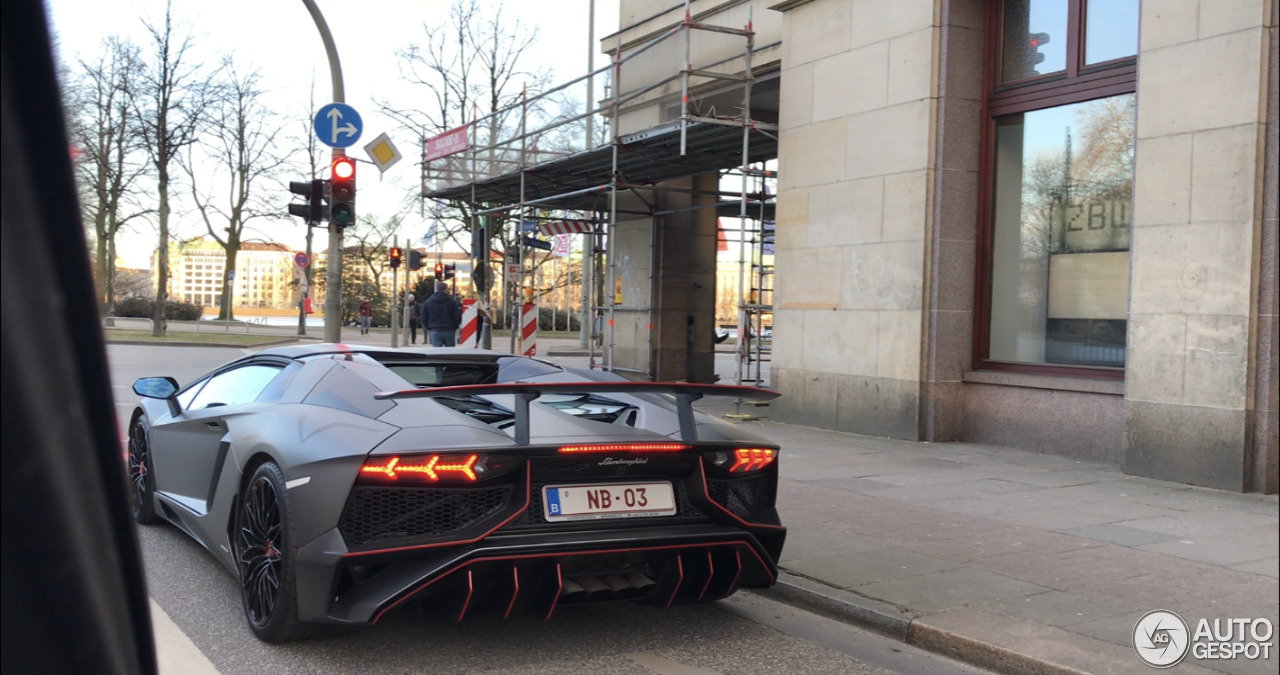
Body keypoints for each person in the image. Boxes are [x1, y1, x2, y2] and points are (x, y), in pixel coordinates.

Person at [421, 282, 461, 347]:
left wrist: (429, 327)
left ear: (437, 289)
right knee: (450, 353)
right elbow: (457, 316)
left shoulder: (428, 302)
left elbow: (423, 317)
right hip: (448, 329)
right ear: (445, 289)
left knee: (437, 353)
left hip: (434, 329)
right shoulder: (451, 302)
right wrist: (454, 327)